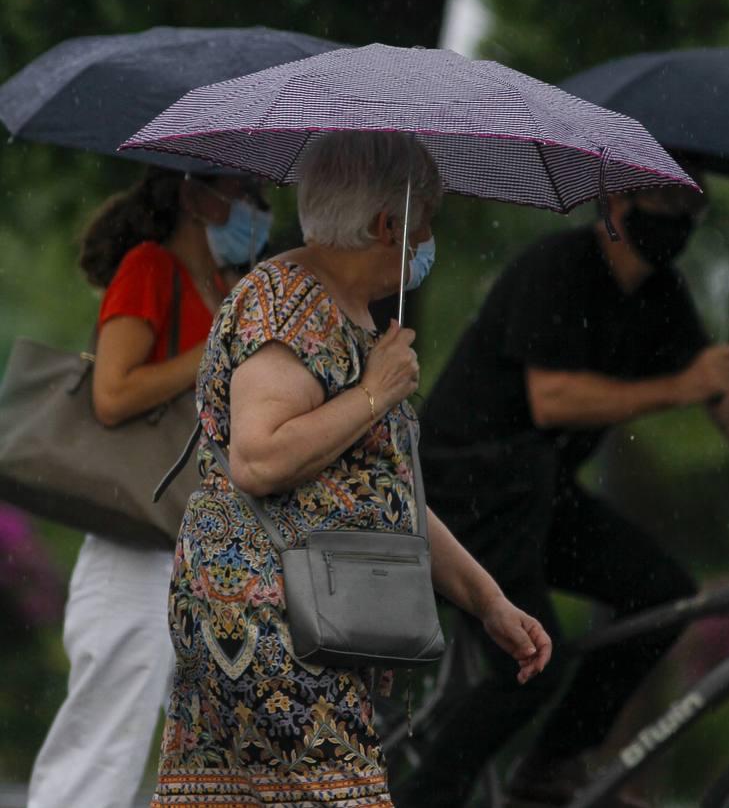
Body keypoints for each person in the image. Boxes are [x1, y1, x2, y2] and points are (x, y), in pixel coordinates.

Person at [395, 168, 729, 808]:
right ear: (614, 203)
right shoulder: (555, 267)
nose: (683, 219)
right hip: (467, 486)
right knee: (531, 660)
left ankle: (550, 767)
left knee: (659, 593)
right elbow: (551, 398)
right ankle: (424, 799)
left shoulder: (662, 294)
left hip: (539, 492)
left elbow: (725, 399)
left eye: (693, 205)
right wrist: (680, 387)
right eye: (668, 200)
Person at [150, 130, 553, 806]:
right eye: (426, 221)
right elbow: (257, 458)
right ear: (386, 224)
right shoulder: (284, 303)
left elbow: (384, 493)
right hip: (263, 618)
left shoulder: (356, 318)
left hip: (314, 619)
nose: (428, 240)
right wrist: (375, 393)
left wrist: (488, 603)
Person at [27, 166, 272, 808]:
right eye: (249, 194)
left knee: (215, 746)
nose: (262, 211)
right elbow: (111, 395)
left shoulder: (226, 286)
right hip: (135, 534)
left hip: (202, 539)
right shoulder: (150, 269)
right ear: (196, 193)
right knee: (105, 742)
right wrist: (211, 350)